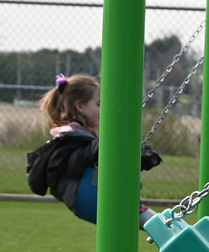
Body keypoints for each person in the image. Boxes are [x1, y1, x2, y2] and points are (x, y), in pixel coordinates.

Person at [26, 74, 163, 230]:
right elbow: (80, 159)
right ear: (80, 107)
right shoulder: (70, 134)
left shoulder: (75, 135)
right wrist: (119, 146)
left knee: (157, 225)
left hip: (88, 197)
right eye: (99, 104)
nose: (103, 109)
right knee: (159, 227)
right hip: (89, 196)